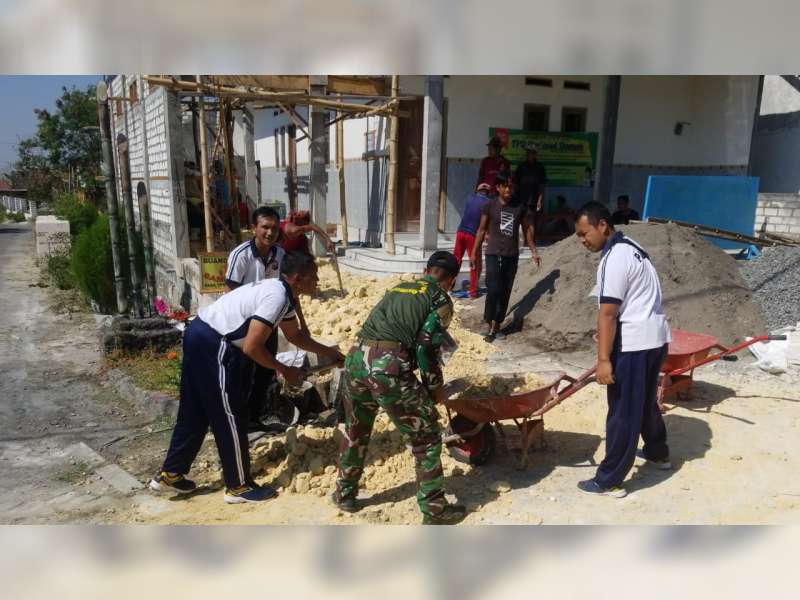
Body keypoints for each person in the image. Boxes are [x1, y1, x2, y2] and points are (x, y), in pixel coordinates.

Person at [149, 252, 345, 503]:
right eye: (313, 276)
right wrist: (285, 371)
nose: (317, 281)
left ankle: (171, 473)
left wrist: (331, 354)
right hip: (214, 342)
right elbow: (252, 347)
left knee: (195, 411)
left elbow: (296, 337)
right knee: (230, 413)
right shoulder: (277, 296)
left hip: (199, 334)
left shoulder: (282, 292)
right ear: (297, 278)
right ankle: (238, 485)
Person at [332, 251, 468, 525]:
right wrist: (434, 389)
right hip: (387, 368)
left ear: (427, 269)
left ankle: (344, 493)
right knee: (427, 435)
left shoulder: (398, 288)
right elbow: (427, 347)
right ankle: (435, 510)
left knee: (356, 428)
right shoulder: (440, 299)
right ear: (452, 281)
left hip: (356, 360)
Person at [573, 202, 672, 498]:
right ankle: (657, 452)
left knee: (622, 411)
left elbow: (608, 314)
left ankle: (610, 479)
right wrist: (605, 338)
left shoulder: (614, 257)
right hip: (655, 338)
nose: (582, 241)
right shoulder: (633, 246)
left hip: (634, 344)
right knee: (644, 403)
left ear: (603, 225)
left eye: (584, 233)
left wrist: (604, 359)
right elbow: (633, 300)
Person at [225, 206, 286, 430]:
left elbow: (285, 289)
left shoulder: (280, 255)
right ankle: (236, 420)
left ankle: (257, 417)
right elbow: (230, 291)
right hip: (242, 324)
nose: (270, 233)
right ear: (254, 229)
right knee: (241, 371)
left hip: (268, 323)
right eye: (265, 227)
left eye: (274, 228)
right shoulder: (241, 255)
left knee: (266, 370)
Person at [472, 170, 540, 342]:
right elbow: (481, 230)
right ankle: (487, 322)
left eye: (512, 186)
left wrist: (533, 250)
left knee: (505, 292)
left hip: (511, 255)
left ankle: (497, 325)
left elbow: (527, 230)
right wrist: (474, 253)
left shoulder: (519, 206)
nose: (510, 189)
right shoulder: (490, 206)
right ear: (498, 187)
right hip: (493, 254)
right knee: (493, 289)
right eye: (506, 186)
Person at [453, 183, 491, 298]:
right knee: (475, 263)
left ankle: (449, 287)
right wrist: (488, 234)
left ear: (477, 191)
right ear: (488, 193)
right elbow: (486, 221)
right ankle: (473, 292)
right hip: (473, 236)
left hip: (460, 232)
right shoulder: (488, 203)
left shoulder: (470, 198)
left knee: (456, 261)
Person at [513, 143, 547, 213]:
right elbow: (515, 183)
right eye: (528, 152)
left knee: (534, 220)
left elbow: (542, 185)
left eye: (532, 153)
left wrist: (540, 200)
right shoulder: (521, 167)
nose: (529, 154)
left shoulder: (540, 167)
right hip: (521, 200)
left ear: (535, 154)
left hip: (534, 200)